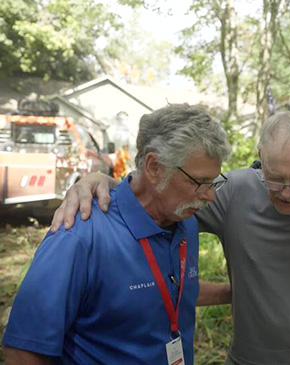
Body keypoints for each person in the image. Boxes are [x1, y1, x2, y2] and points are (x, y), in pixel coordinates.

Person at [49, 112, 290, 365]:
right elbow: (157, 198)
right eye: (274, 179)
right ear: (261, 158)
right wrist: (103, 182)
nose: (286, 192)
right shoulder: (235, 191)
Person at [2, 104, 231, 364]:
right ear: (154, 167)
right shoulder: (80, 235)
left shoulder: (185, 220)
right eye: (199, 182)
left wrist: (239, 293)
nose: (210, 195)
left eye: (213, 182)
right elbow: (22, 352)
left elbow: (172, 289)